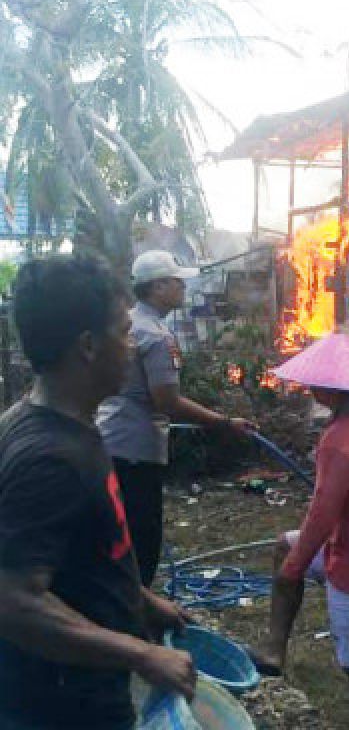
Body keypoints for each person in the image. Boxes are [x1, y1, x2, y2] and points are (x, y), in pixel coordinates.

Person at [0, 254, 195, 729]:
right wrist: (141, 654)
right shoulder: (50, 459)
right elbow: (15, 600)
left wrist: (143, 602)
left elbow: (85, 555)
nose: (131, 346)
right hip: (63, 707)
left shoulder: (54, 422)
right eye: (124, 332)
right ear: (88, 346)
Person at [247, 333, 349, 730]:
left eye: (314, 385)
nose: (310, 390)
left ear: (331, 388)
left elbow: (322, 514)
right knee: (282, 547)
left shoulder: (340, 440)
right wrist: (295, 557)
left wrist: (296, 566)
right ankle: (274, 651)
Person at [97, 249, 255, 586]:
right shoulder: (156, 336)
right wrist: (224, 423)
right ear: (157, 288)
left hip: (109, 441)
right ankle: (136, 612)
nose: (184, 288)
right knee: (142, 539)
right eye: (177, 282)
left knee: (113, 535)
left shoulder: (125, 324)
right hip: (137, 451)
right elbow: (167, 401)